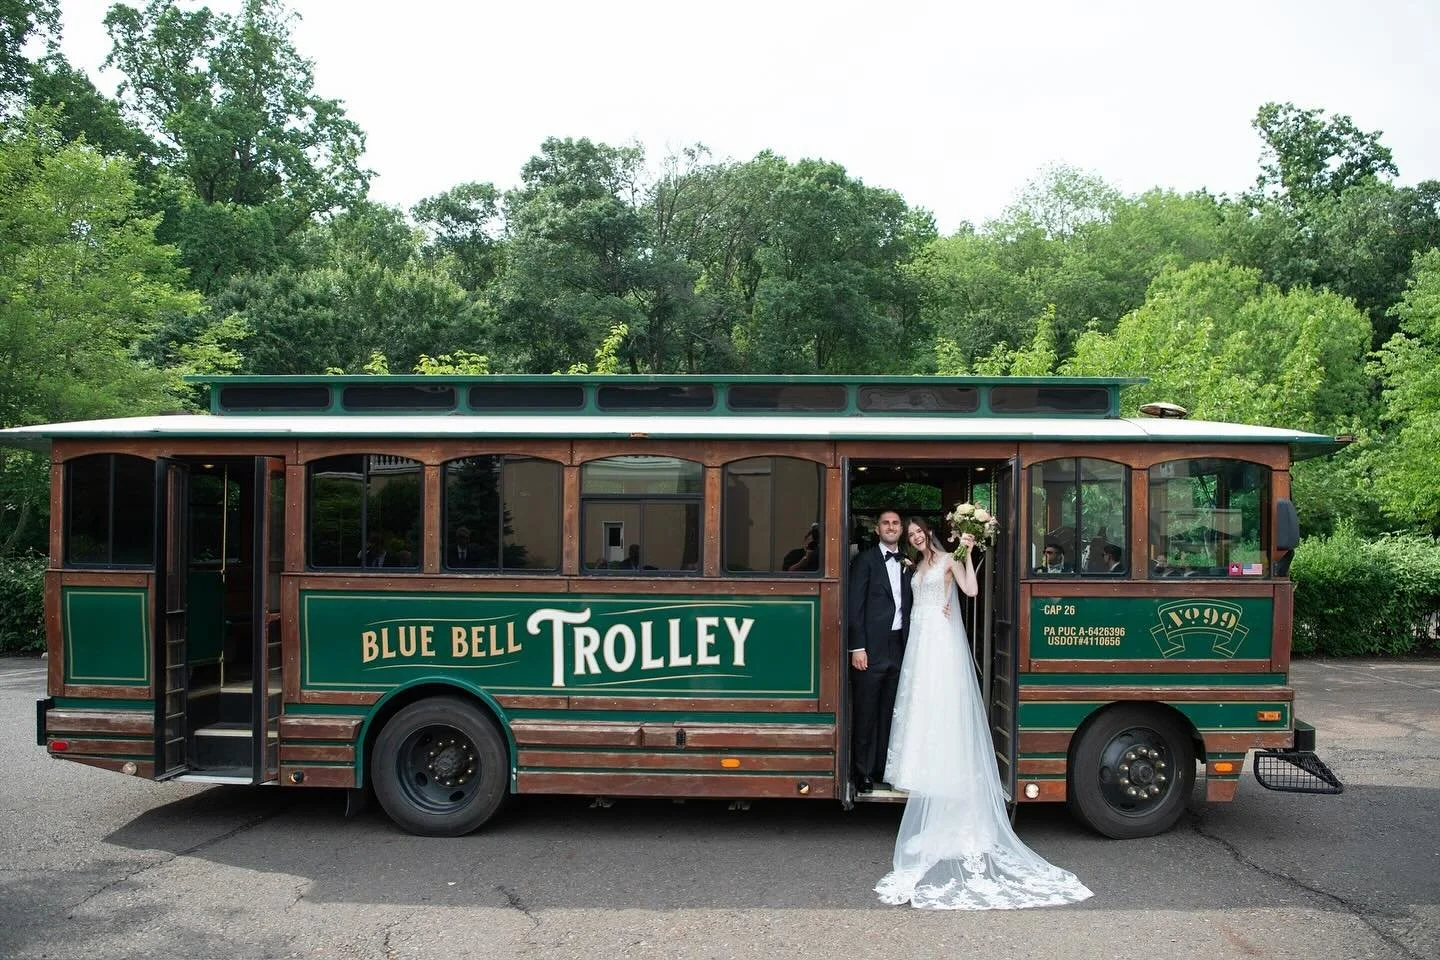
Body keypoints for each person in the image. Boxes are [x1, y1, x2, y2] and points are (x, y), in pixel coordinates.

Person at [876, 518, 1093, 910]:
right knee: (923, 713)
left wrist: (968, 553)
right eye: (911, 535)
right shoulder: (916, 566)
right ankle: (929, 785)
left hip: (940, 640)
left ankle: (949, 807)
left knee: (944, 710)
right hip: (920, 643)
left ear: (929, 533)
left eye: (918, 532)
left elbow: (971, 591)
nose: (916, 537)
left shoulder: (947, 560)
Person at [846, 509, 912, 794]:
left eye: (895, 523)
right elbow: (854, 607)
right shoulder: (865, 560)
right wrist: (857, 647)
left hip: (899, 646)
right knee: (866, 712)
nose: (891, 527)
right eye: (886, 523)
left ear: (901, 529)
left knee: (890, 713)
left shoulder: (908, 562)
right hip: (870, 649)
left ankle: (882, 769)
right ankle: (861, 773)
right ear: (877, 529)